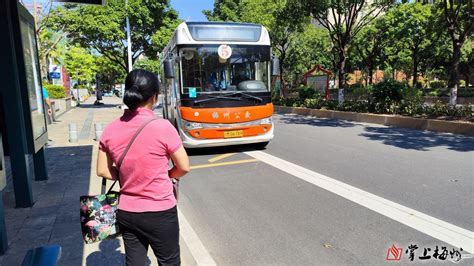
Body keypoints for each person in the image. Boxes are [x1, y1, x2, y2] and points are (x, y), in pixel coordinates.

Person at [96, 69, 190, 266]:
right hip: (161, 211)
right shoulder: (163, 127)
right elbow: (184, 166)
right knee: (169, 262)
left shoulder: (110, 129)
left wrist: (126, 174)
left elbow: (102, 171)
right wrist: (167, 174)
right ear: (154, 97)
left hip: (127, 212)